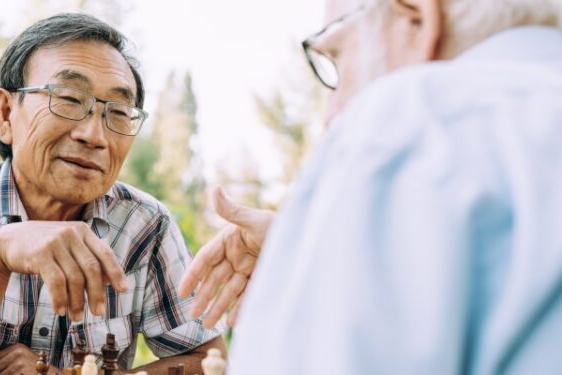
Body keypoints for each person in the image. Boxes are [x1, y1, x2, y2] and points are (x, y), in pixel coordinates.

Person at [179, 0, 562, 373]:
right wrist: (307, 247)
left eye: (337, 59)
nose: (331, 114)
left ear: (416, 18)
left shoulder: (413, 115)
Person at [0, 13, 224, 374]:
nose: (95, 136)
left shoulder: (146, 225)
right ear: (5, 114)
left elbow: (208, 362)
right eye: (69, 99)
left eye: (118, 112)